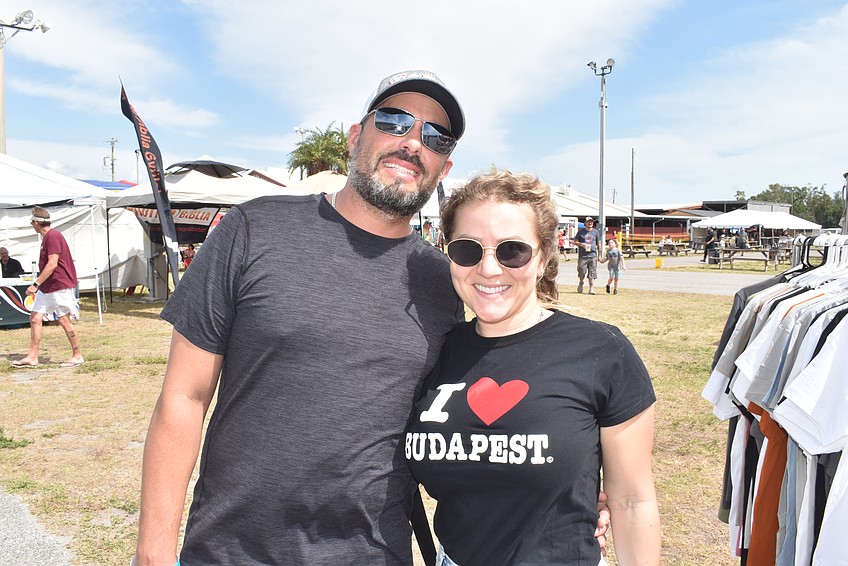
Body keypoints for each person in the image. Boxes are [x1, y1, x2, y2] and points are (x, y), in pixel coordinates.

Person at [134, 70, 469, 566]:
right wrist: (154, 551)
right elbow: (184, 397)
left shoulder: (445, 281)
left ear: (443, 168)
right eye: (395, 120)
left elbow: (459, 425)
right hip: (232, 552)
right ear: (356, 138)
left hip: (375, 553)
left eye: (434, 137)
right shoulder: (252, 229)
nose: (411, 142)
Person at [405, 171, 661, 566]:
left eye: (512, 251)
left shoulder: (600, 351)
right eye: (468, 250)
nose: (489, 269)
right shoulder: (435, 350)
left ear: (542, 258)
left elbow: (631, 500)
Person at [11, 207, 84, 369]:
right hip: (48, 286)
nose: (32, 225)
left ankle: (77, 355)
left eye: (32, 222)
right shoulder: (48, 237)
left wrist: (35, 284)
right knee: (35, 318)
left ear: (36, 222)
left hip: (59, 284)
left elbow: (52, 264)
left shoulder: (52, 236)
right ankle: (32, 356)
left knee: (64, 320)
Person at [574, 216, 603, 294]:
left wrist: (599, 255)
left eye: (591, 222)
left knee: (592, 272)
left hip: (592, 255)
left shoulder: (595, 232)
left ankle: (591, 288)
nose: (590, 223)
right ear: (585, 223)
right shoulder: (580, 232)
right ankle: (581, 282)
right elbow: (575, 242)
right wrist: (581, 244)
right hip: (583, 256)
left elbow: (598, 244)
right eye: (588, 222)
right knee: (581, 271)